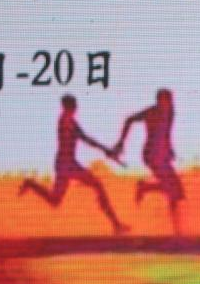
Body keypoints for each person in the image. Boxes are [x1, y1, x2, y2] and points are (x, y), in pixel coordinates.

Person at [19, 94, 129, 234]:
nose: (76, 108)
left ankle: (31, 184)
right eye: (74, 105)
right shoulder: (66, 121)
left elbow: (86, 138)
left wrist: (106, 150)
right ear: (71, 106)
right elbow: (85, 139)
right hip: (67, 164)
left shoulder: (70, 121)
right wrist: (106, 150)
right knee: (97, 185)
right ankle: (116, 225)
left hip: (65, 163)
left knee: (55, 201)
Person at [112, 89, 185, 234]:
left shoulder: (171, 113)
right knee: (173, 189)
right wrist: (121, 142)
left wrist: (170, 149)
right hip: (151, 155)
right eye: (164, 102)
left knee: (177, 192)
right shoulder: (151, 112)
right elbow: (129, 120)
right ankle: (177, 230)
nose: (168, 105)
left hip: (163, 156)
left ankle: (146, 187)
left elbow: (167, 133)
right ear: (159, 101)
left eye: (169, 102)